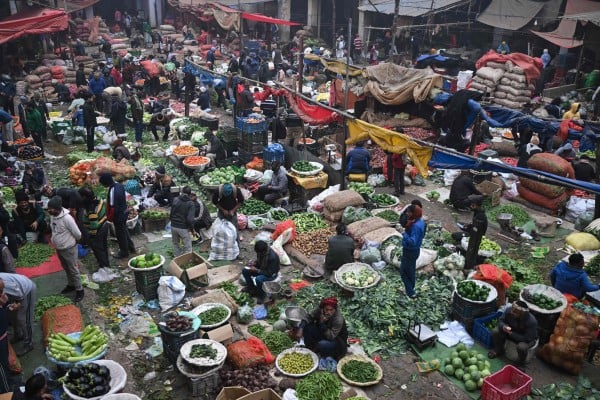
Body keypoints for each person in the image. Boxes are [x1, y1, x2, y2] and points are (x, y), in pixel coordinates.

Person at [47, 196, 84, 302]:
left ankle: (79, 290)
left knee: (73, 269)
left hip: (69, 248)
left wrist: (74, 242)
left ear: (58, 208)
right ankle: (71, 285)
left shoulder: (67, 218)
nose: (49, 210)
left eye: (51, 209)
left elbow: (77, 234)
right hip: (59, 248)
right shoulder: (53, 216)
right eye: (49, 208)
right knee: (66, 268)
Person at [99, 173, 135, 260]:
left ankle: (124, 252)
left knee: (120, 234)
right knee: (124, 230)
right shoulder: (119, 185)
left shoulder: (112, 190)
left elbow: (112, 207)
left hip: (118, 215)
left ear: (106, 183)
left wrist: (109, 219)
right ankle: (131, 247)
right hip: (124, 212)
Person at [0, 273, 35, 356]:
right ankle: (18, 334)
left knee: (22, 318)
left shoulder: (6, 285)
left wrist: (17, 304)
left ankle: (29, 343)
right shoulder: (3, 287)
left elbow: (19, 294)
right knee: (11, 315)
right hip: (13, 292)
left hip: (25, 290)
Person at [78, 188, 109, 271]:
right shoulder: (97, 198)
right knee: (104, 246)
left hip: (98, 230)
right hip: (104, 225)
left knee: (98, 249)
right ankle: (106, 263)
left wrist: (92, 235)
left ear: (84, 197)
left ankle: (104, 267)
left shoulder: (91, 208)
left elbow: (94, 224)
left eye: (80, 196)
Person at [399, 204, 425, 298]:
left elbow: (412, 241)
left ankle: (411, 292)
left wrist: (404, 234)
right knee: (411, 271)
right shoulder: (420, 222)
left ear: (414, 213)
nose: (407, 213)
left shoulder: (415, 226)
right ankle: (411, 289)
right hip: (415, 251)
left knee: (403, 272)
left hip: (410, 251)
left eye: (409, 212)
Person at [459, 194, 488, 270]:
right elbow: (474, 225)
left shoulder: (480, 216)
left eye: (472, 205)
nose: (470, 206)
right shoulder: (477, 212)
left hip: (476, 237)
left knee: (456, 235)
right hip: (474, 234)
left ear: (475, 205)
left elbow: (476, 230)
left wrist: (468, 229)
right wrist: (468, 226)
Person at [0, 278, 18, 393]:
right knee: (2, 368)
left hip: (3, 338)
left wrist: (7, 307)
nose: (3, 293)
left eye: (2, 290)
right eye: (0, 291)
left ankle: (9, 380)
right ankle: (6, 390)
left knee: (5, 363)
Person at [170, 186, 195, 257]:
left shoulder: (176, 199)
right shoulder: (190, 204)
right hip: (183, 228)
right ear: (190, 194)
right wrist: (192, 230)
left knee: (176, 244)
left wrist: (172, 222)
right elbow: (190, 220)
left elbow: (171, 213)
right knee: (188, 248)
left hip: (173, 226)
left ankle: (177, 260)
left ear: (182, 192)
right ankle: (187, 262)